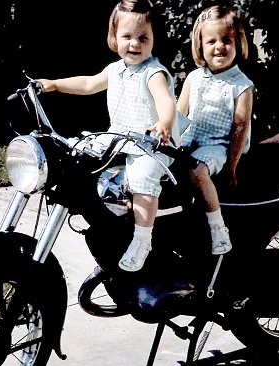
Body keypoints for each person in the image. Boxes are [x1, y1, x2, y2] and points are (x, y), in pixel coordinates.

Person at [38, 0, 177, 272]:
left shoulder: (153, 72)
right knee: (77, 151)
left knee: (141, 177)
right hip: (120, 138)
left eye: (143, 37)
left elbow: (165, 102)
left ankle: (142, 239)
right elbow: (89, 83)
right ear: (114, 38)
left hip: (152, 144)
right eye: (127, 36)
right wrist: (54, 84)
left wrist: (164, 122)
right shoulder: (116, 70)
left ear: (153, 40)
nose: (134, 44)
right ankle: (104, 223)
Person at [177, 5, 254, 255]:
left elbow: (240, 128)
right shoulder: (193, 78)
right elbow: (178, 116)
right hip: (190, 139)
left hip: (218, 144)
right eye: (211, 41)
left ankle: (218, 228)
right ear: (200, 46)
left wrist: (232, 166)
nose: (219, 46)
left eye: (227, 40)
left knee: (197, 172)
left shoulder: (241, 86)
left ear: (238, 42)